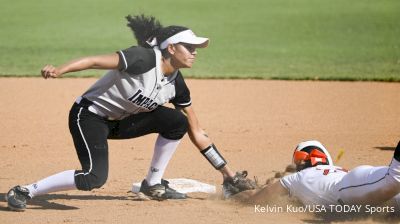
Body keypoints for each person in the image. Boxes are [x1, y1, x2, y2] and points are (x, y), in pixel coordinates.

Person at [5, 14, 256, 211]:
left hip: (121, 123)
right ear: (171, 48)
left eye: (195, 47)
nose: (195, 52)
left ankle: (153, 184)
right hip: (89, 117)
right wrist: (59, 71)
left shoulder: (177, 85)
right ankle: (26, 190)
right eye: (189, 47)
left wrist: (228, 175)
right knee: (94, 177)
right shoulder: (143, 59)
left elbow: (197, 132)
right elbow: (94, 61)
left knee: (177, 122)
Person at [228, 140, 400, 209]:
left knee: (393, 179)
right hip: (358, 183)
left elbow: (255, 198)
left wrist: (231, 194)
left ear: (302, 160)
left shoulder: (294, 179)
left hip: (349, 188)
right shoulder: (333, 170)